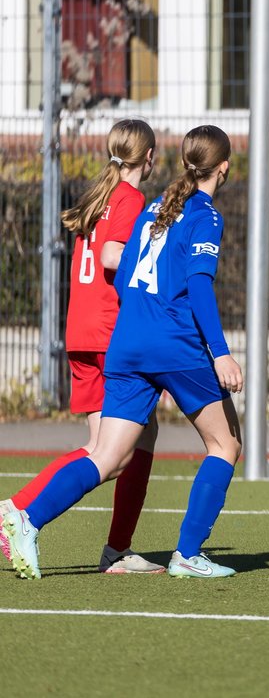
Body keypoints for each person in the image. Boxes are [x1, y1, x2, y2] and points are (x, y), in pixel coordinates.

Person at [2, 125, 244, 580]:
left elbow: (127, 268)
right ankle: (187, 555)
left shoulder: (155, 206)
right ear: (224, 167)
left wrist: (138, 323)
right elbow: (198, 286)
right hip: (174, 345)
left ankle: (27, 517)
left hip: (126, 343)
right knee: (225, 443)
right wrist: (220, 353)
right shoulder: (206, 215)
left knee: (107, 456)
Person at [0, 119, 163, 574]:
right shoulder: (129, 198)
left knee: (127, 439)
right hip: (111, 336)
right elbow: (112, 255)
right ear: (149, 157)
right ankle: (21, 511)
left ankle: (116, 550)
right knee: (112, 455)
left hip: (82, 331)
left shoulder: (98, 196)